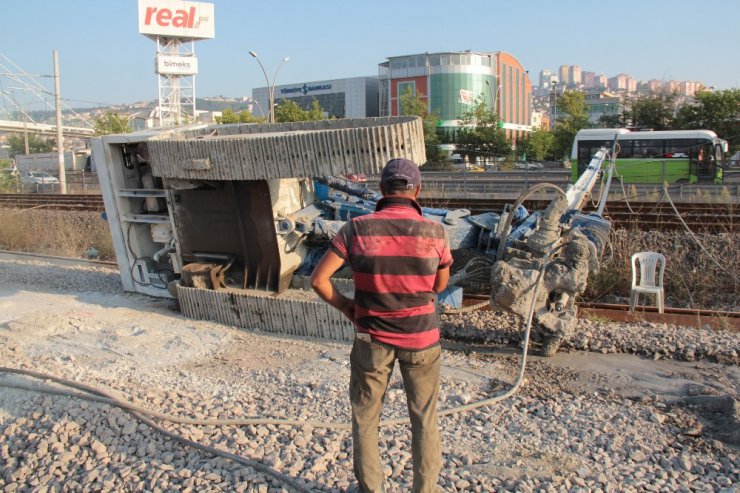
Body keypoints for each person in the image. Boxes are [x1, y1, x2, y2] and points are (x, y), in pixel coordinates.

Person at [311, 158, 452, 493]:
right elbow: (439, 286)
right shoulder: (435, 231)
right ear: (417, 191)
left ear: (381, 190)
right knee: (424, 419)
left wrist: (347, 306)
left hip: (370, 337)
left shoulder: (356, 229)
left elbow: (319, 280)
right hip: (422, 341)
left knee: (365, 417)